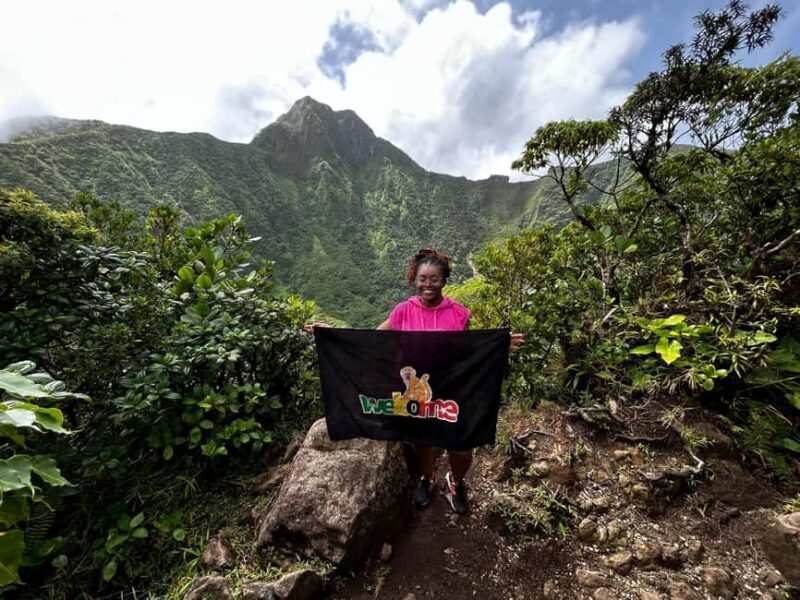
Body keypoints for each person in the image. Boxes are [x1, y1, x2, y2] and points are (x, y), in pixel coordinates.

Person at [308, 248, 524, 514]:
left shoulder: (458, 313)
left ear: (444, 280)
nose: (428, 285)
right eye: (423, 278)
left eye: (434, 279)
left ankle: (456, 482)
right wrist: (333, 335)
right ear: (415, 279)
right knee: (421, 438)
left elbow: (468, 349)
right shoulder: (403, 311)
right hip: (414, 390)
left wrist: (499, 345)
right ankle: (428, 476)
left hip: (450, 386)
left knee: (461, 447)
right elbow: (372, 339)